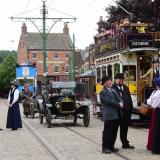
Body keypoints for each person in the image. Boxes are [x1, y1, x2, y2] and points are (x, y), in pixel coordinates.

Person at [100, 76, 123, 154]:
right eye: (108, 81)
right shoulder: (103, 91)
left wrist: (121, 102)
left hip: (116, 114)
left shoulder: (113, 90)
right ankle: (105, 147)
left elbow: (119, 98)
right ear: (104, 83)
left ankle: (111, 146)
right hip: (109, 115)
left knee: (114, 131)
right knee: (108, 131)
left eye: (110, 80)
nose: (110, 82)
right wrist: (119, 105)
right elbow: (109, 101)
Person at [112, 73, 134, 149]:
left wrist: (131, 109)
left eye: (122, 79)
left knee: (125, 128)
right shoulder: (113, 87)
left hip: (127, 111)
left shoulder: (125, 87)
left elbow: (129, 98)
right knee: (115, 128)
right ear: (116, 79)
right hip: (118, 111)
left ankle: (125, 143)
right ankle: (112, 145)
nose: (121, 80)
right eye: (120, 79)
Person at [149, 77, 160, 154]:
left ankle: (156, 148)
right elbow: (149, 101)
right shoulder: (154, 92)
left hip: (158, 111)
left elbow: (154, 105)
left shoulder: (159, 93)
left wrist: (153, 102)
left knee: (157, 129)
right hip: (157, 110)